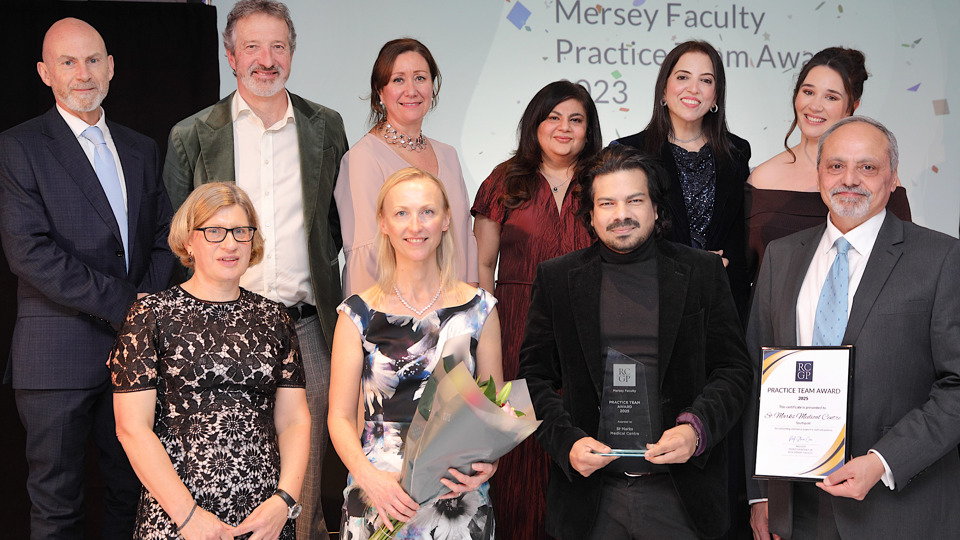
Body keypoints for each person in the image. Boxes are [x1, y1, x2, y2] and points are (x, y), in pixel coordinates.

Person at [162, 1, 347, 537]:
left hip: (303, 329)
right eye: (252, 47)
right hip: (213, 333)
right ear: (230, 55)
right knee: (217, 475)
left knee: (303, 486)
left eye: (278, 47)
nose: (266, 60)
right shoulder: (191, 134)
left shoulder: (325, 127)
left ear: (291, 53)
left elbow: (335, 227)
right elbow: (175, 236)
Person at [518, 145, 753, 539]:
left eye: (634, 200)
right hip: (591, 499)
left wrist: (696, 430)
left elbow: (734, 370)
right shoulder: (557, 279)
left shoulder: (702, 272)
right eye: (606, 203)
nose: (621, 214)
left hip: (680, 496)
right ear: (590, 216)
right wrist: (567, 443)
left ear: (656, 208)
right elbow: (532, 380)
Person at [744, 116, 960, 539]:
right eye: (836, 166)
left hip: (898, 508)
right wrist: (760, 493)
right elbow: (756, 376)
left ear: (893, 178)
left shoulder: (941, 258)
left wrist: (883, 460)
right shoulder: (781, 257)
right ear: (819, 174)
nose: (849, 180)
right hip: (796, 511)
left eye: (867, 167)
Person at [0, 18, 174, 539]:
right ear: (44, 72)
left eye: (93, 60)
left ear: (111, 67)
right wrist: (132, 305)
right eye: (68, 62)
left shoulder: (141, 148)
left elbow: (168, 237)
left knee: (132, 494)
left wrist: (141, 315)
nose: (83, 73)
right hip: (56, 356)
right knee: (57, 505)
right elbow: (29, 252)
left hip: (135, 358)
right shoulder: (19, 147)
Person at [111, 182, 310, 539]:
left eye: (241, 231)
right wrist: (188, 517)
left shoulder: (275, 318)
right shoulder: (150, 315)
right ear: (189, 240)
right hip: (178, 518)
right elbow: (131, 428)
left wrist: (284, 501)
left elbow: (294, 420)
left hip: (265, 518)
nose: (230, 244)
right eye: (214, 231)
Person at [328, 167, 502, 539]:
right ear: (384, 223)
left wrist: (492, 462)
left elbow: (493, 410)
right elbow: (340, 417)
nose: (416, 225)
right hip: (379, 491)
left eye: (427, 211)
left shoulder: (481, 308)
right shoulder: (356, 314)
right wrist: (368, 478)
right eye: (401, 213)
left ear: (445, 220)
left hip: (457, 490)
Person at [470, 79, 600, 539]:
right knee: (518, 450)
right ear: (536, 123)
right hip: (514, 328)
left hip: (589, 333)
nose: (564, 128)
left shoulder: (603, 179)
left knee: (578, 439)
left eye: (576, 119)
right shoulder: (504, 180)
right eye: (554, 117)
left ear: (589, 130)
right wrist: (491, 336)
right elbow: (484, 266)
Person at [746, 47, 911, 284]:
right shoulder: (761, 178)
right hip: (774, 318)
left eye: (831, 97)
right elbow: (743, 274)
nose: (815, 106)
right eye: (808, 92)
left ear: (852, 107)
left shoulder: (874, 180)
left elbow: (902, 262)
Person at [614, 40, 751, 320]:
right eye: (683, 77)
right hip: (650, 303)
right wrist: (687, 264)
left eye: (706, 80)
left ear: (715, 97)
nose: (693, 89)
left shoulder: (737, 152)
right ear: (664, 89)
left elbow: (740, 232)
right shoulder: (628, 152)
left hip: (719, 305)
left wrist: (723, 266)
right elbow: (618, 230)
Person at [335, 38, 478, 297]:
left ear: (432, 86)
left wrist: (470, 314)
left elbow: (465, 243)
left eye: (420, 78)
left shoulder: (448, 155)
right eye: (398, 80)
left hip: (455, 314)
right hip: (396, 321)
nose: (411, 90)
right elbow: (366, 257)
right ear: (380, 91)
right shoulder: (363, 159)